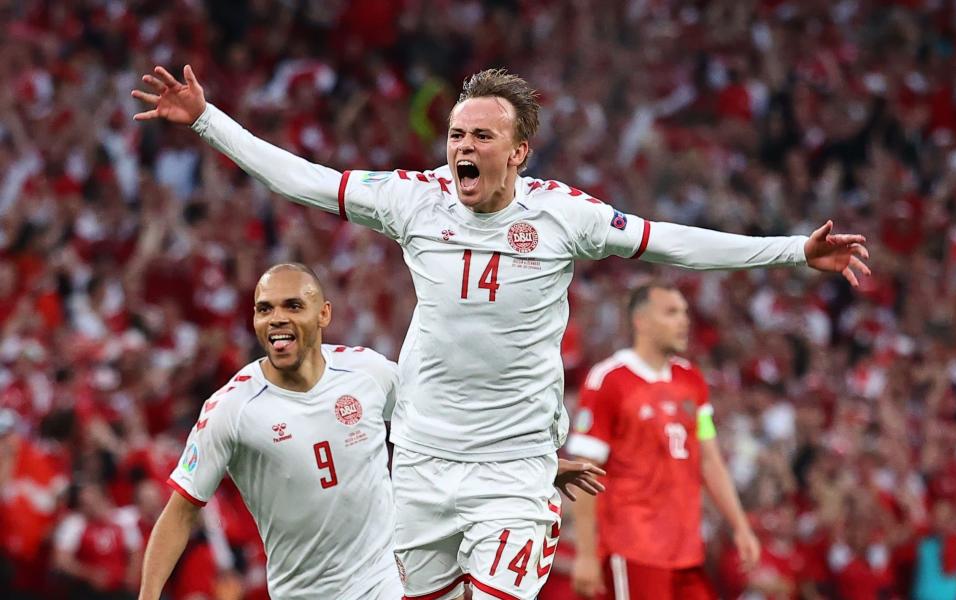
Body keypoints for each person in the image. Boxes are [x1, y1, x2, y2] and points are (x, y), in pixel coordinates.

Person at [132, 65, 869, 600]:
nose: (463, 148)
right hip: (420, 464)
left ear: (518, 151)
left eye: (482, 136)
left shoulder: (563, 216)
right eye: (456, 134)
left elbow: (672, 241)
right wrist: (206, 119)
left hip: (514, 470)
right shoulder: (413, 201)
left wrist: (791, 252)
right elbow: (306, 180)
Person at [138, 263, 403, 600]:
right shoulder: (231, 409)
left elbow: (431, 425)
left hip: (386, 578)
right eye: (265, 309)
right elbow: (180, 511)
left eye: (292, 306)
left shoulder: (368, 372)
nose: (276, 318)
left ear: (323, 314)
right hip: (303, 593)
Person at [565, 281, 761, 599]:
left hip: (686, 551)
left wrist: (740, 525)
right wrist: (586, 553)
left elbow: (708, 458)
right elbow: (585, 471)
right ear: (640, 322)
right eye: (671, 312)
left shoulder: (691, 379)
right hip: (633, 548)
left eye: (684, 311)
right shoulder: (608, 381)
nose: (684, 320)